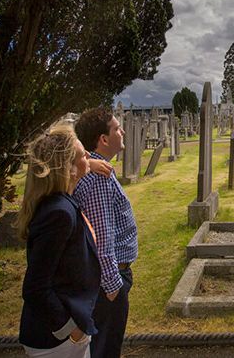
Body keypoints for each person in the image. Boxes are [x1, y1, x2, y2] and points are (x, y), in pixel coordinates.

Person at [16, 125, 101, 357]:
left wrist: (84, 164)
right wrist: (69, 329)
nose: (90, 157)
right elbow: (35, 287)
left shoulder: (63, 201)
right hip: (54, 339)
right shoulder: (59, 214)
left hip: (67, 331)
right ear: (69, 168)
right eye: (84, 154)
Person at [73, 107, 138, 358]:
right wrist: (113, 286)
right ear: (103, 139)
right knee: (105, 348)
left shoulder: (93, 168)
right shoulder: (97, 179)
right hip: (108, 280)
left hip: (108, 276)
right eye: (117, 128)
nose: (122, 132)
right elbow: (101, 236)